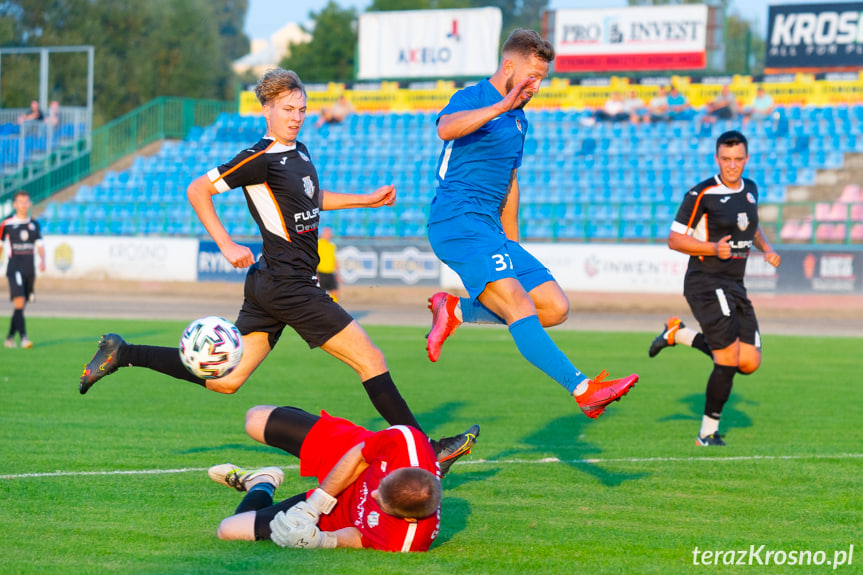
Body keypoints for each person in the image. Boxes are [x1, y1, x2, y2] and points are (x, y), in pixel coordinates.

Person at [78, 68, 475, 473]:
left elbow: (309, 198)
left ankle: (123, 352)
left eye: (302, 109)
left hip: (273, 282)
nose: (296, 116)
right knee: (370, 358)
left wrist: (364, 200)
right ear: (266, 109)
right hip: (289, 285)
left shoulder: (299, 151)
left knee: (226, 380)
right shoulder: (258, 158)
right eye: (288, 109)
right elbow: (197, 189)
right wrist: (227, 244)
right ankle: (427, 455)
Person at [423, 29, 638, 419]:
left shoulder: (520, 121)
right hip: (456, 218)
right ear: (508, 66)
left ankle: (455, 311)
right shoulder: (474, 98)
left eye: (541, 79)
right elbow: (446, 128)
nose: (536, 87)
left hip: (490, 229)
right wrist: (501, 105)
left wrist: (513, 244)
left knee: (554, 308)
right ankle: (584, 389)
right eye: (531, 77)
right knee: (519, 304)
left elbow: (510, 182)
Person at [647, 130, 781, 446]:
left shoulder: (751, 189)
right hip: (705, 282)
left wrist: (767, 248)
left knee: (749, 362)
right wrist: (711, 248)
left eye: (738, 159)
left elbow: (752, 224)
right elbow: (674, 238)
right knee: (728, 359)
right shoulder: (701, 194)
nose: (732, 165)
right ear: (716, 159)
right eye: (725, 159)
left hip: (735, 283)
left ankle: (678, 334)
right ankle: (707, 432)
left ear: (746, 159)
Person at [208, 404, 459, 551]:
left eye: (380, 500)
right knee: (256, 419)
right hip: (349, 455)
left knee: (229, 529)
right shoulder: (407, 440)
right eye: (381, 485)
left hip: (343, 513)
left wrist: (322, 540)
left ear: (406, 517)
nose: (373, 493)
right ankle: (268, 482)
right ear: (401, 469)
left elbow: (362, 537)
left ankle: (261, 482)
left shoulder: (406, 540)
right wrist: (315, 504)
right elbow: (359, 456)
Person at [1, 190, 45, 349]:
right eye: (20, 202)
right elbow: (0, 245)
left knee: (20, 306)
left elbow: (40, 245)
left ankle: (10, 337)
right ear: (14, 204)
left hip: (29, 270)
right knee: (19, 302)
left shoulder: (34, 224)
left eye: (26, 202)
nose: (23, 205)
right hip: (14, 268)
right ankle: (24, 338)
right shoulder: (7, 223)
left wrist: (43, 261)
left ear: (30, 203)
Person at [316, 226, 340, 302]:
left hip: (330, 272)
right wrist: (315, 273)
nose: (328, 235)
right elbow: (315, 259)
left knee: (335, 292)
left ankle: (334, 309)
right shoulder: (318, 244)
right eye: (327, 233)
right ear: (323, 234)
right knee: (320, 293)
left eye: (329, 233)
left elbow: (334, 259)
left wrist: (337, 274)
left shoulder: (332, 245)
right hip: (321, 272)